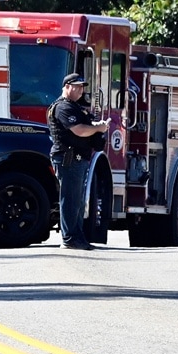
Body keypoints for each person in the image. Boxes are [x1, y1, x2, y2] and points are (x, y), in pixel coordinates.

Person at [48, 73, 110, 250]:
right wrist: (98, 127)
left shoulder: (75, 107)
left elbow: (85, 126)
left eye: (82, 87)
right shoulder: (62, 107)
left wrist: (97, 125)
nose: (81, 90)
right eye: (77, 86)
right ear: (67, 86)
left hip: (78, 158)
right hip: (68, 158)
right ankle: (69, 238)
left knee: (78, 201)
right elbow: (79, 130)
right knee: (70, 199)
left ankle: (77, 236)